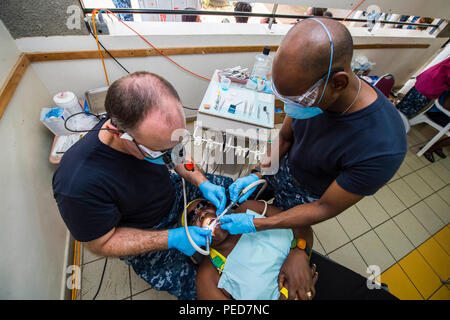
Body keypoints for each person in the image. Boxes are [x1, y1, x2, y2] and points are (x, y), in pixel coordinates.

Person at [222, 17, 407, 278]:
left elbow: (324, 208)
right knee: (241, 201)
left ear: (338, 82)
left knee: (284, 232)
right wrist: (257, 173)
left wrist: (262, 224)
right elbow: (285, 138)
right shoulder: (308, 94)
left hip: (309, 194)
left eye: (296, 99)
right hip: (281, 166)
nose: (289, 107)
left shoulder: (382, 146)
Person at [52, 71, 232, 300]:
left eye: (176, 141)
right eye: (159, 150)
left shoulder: (160, 136)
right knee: (200, 291)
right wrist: (172, 239)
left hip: (173, 191)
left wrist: (202, 182)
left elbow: (177, 158)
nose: (170, 153)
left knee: (230, 194)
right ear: (120, 134)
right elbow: (100, 244)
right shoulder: (77, 184)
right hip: (145, 229)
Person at [189, 199, 397, 300]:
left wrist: (299, 251)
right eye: (192, 216)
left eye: (204, 205)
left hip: (316, 272)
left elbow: (301, 225)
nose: (201, 212)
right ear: (189, 237)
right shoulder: (208, 276)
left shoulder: (247, 210)